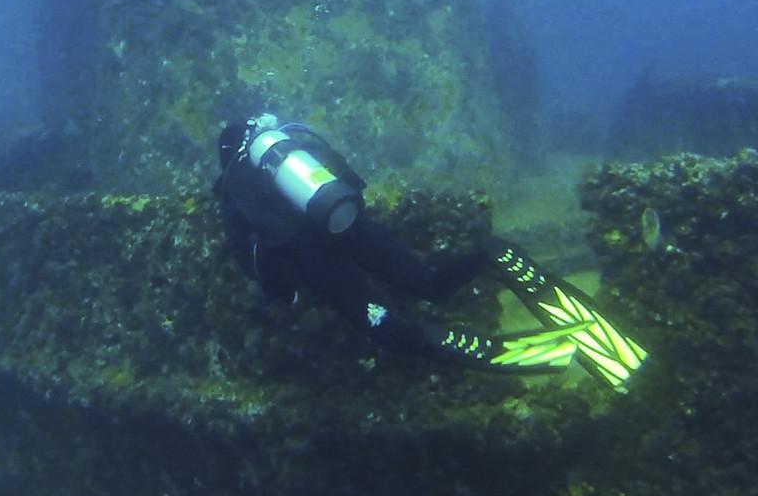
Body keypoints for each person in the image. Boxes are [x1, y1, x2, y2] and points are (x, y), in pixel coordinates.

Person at [215, 115, 648, 389]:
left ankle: (444, 340)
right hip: (347, 222)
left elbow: (253, 260)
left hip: (311, 256)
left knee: (387, 328)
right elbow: (349, 178)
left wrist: (284, 291)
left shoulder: (233, 182)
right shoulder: (291, 143)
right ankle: (488, 255)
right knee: (428, 282)